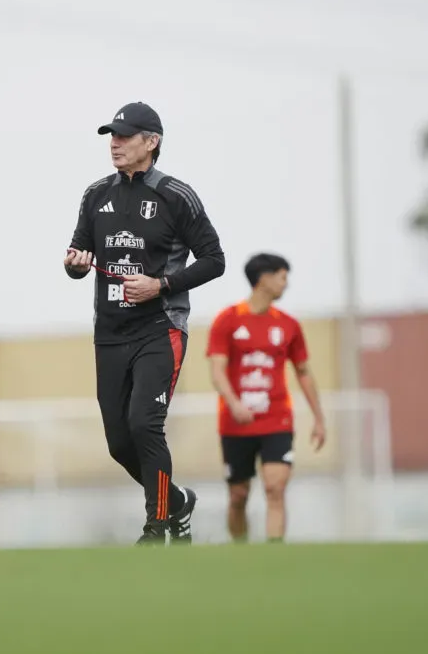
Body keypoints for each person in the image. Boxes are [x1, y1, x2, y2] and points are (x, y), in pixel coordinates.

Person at [64, 102, 226, 545]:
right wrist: (76, 264)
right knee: (119, 443)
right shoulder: (96, 194)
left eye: (124, 136)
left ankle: (157, 527)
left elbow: (215, 260)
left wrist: (161, 284)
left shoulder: (176, 195)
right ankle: (177, 501)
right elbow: (79, 255)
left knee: (144, 425)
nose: (114, 144)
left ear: (151, 142)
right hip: (110, 333)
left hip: (161, 328)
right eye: (111, 136)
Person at [206, 254, 326, 543]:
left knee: (275, 487)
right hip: (236, 422)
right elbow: (217, 369)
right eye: (283, 276)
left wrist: (319, 418)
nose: (286, 284)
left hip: (276, 419)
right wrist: (234, 403)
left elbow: (304, 372)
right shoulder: (228, 319)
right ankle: (241, 552)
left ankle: (274, 555)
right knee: (238, 494)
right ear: (264, 278)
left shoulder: (288, 325)